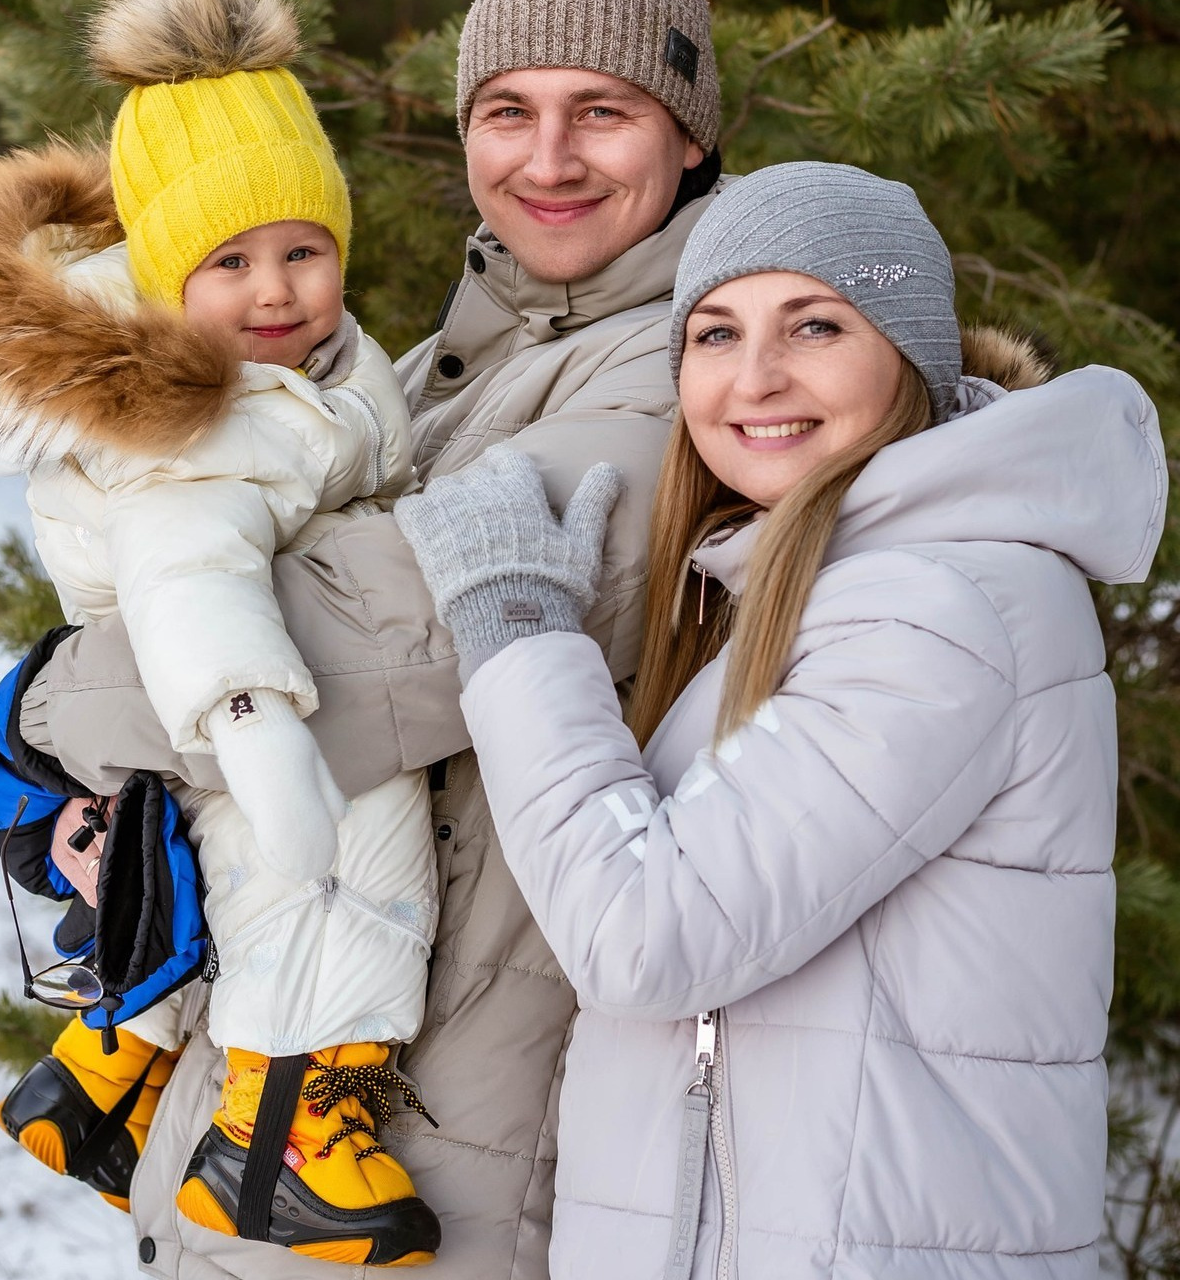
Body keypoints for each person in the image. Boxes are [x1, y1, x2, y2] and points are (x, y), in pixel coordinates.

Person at [0, 1, 727, 1274]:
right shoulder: (403, 372)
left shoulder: (692, 374)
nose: (549, 158)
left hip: (438, 1153)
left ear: (687, 134)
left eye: (604, 111)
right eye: (506, 113)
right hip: (258, 1133)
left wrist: (40, 714)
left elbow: (374, 650)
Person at [391, 161, 1167, 1278]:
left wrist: (518, 635)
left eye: (812, 325)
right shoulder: (795, 587)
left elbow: (646, 935)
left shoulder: (937, 610)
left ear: (906, 353)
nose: (752, 378)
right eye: (712, 333)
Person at [0, 0, 443, 1264]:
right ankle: (282, 1150)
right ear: (163, 272)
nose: (274, 290)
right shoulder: (200, 414)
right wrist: (251, 724)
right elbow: (187, 568)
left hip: (176, 695)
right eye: (229, 262)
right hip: (225, 687)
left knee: (199, 894)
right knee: (349, 883)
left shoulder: (290, 368)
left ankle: (100, 1081)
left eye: (303, 250)